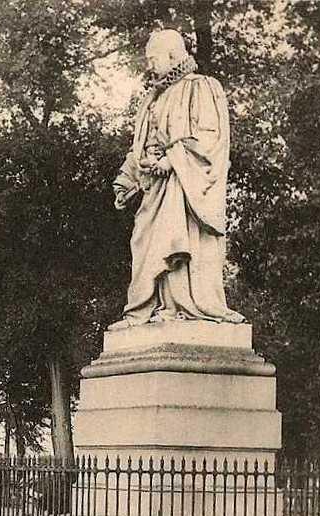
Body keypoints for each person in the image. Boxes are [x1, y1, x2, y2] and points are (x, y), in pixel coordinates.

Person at [110, 29, 245, 331]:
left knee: (180, 242)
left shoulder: (202, 88)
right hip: (153, 189)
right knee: (145, 244)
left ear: (172, 55)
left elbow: (209, 137)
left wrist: (172, 160)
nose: (149, 66)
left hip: (184, 187)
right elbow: (140, 147)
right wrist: (126, 180)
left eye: (153, 59)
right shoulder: (151, 99)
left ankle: (183, 307)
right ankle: (149, 308)